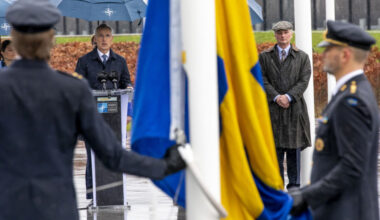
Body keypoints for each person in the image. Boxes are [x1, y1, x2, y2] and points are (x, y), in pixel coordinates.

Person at [0, 1, 186, 219]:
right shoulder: (72, 90)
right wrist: (166, 164)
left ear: (14, 36)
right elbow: (113, 155)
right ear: (52, 38)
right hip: (57, 209)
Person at [289, 20, 379, 220]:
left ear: (345, 55)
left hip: (346, 212)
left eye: (329, 49)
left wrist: (305, 196)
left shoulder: (351, 100)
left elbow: (352, 167)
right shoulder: (350, 94)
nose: (323, 55)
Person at [259, 21, 311, 189]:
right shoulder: (265, 57)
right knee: (275, 150)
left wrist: (289, 97)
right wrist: (276, 97)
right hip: (272, 109)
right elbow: (262, 79)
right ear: (275, 34)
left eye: (285, 32)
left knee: (294, 149)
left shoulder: (302, 57)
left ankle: (294, 187)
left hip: (294, 109)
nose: (282, 35)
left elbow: (304, 80)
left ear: (291, 34)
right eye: (279, 33)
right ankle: (277, 186)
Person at [75, 24, 131, 90]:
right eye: (101, 36)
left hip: (116, 99)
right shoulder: (83, 61)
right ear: (95, 39)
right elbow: (78, 85)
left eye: (107, 35)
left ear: (111, 38)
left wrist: (128, 86)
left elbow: (126, 82)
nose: (104, 39)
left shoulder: (121, 61)